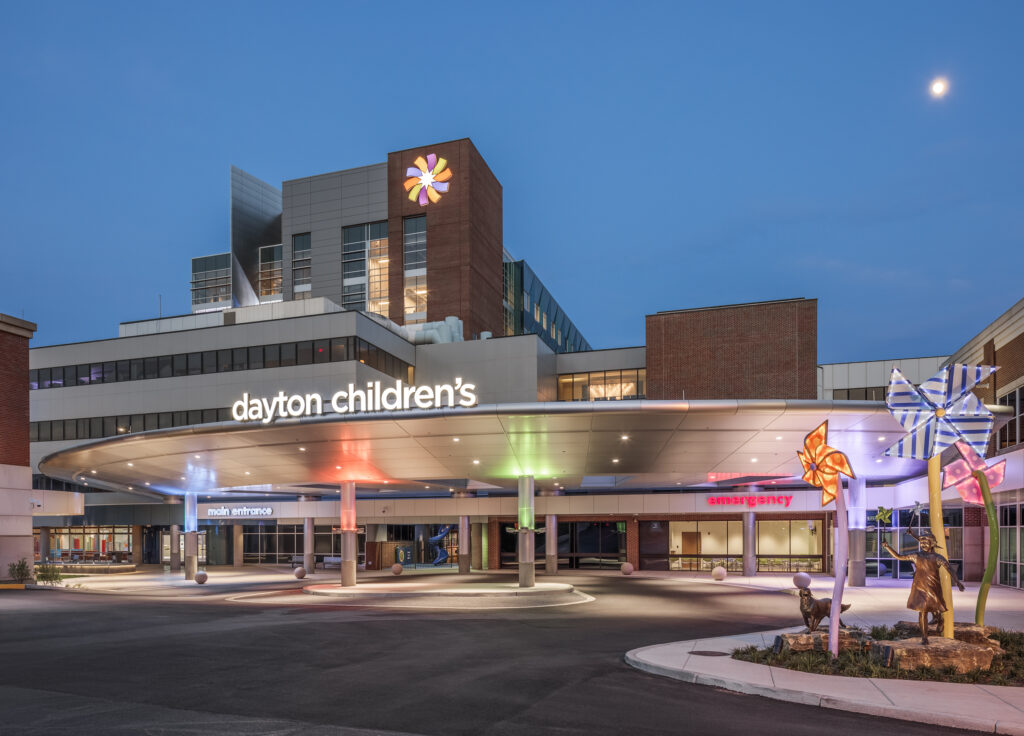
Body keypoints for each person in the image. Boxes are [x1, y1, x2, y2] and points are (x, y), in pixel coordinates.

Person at [882, 529, 964, 644]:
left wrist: (957, 582)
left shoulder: (937, 557)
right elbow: (899, 556)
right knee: (923, 611)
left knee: (935, 609)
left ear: (932, 544)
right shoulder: (916, 556)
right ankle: (924, 637)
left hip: (933, 587)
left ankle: (940, 620)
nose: (923, 545)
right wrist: (887, 547)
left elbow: (949, 569)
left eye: (926, 543)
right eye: (922, 543)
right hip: (920, 587)